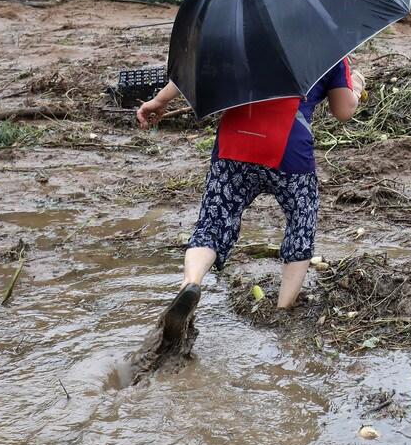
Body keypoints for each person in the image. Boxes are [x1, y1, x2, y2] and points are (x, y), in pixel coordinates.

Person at [136, 59, 365, 346]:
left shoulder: (237, 36)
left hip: (235, 143)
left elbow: (194, 70)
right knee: (300, 221)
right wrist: (355, 86)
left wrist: (159, 100)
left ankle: (191, 282)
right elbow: (343, 111)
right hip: (288, 151)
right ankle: (283, 311)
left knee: (213, 222)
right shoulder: (328, 48)